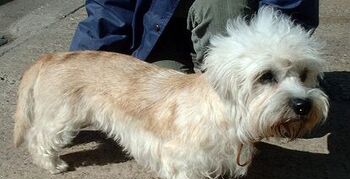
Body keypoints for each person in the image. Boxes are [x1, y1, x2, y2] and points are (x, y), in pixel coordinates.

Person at [70, 0, 319, 73]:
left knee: (221, 5)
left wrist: (286, 67)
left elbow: (288, 7)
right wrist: (77, 72)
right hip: (161, 35)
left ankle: (241, 98)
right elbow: (111, 8)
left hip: (233, 26)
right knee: (162, 111)